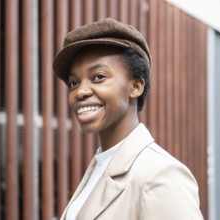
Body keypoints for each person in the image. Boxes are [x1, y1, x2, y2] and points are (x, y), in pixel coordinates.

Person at [53, 18, 203, 220]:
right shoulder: (101, 165)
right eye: (73, 82)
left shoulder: (160, 175)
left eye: (98, 77)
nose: (80, 91)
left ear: (135, 87)